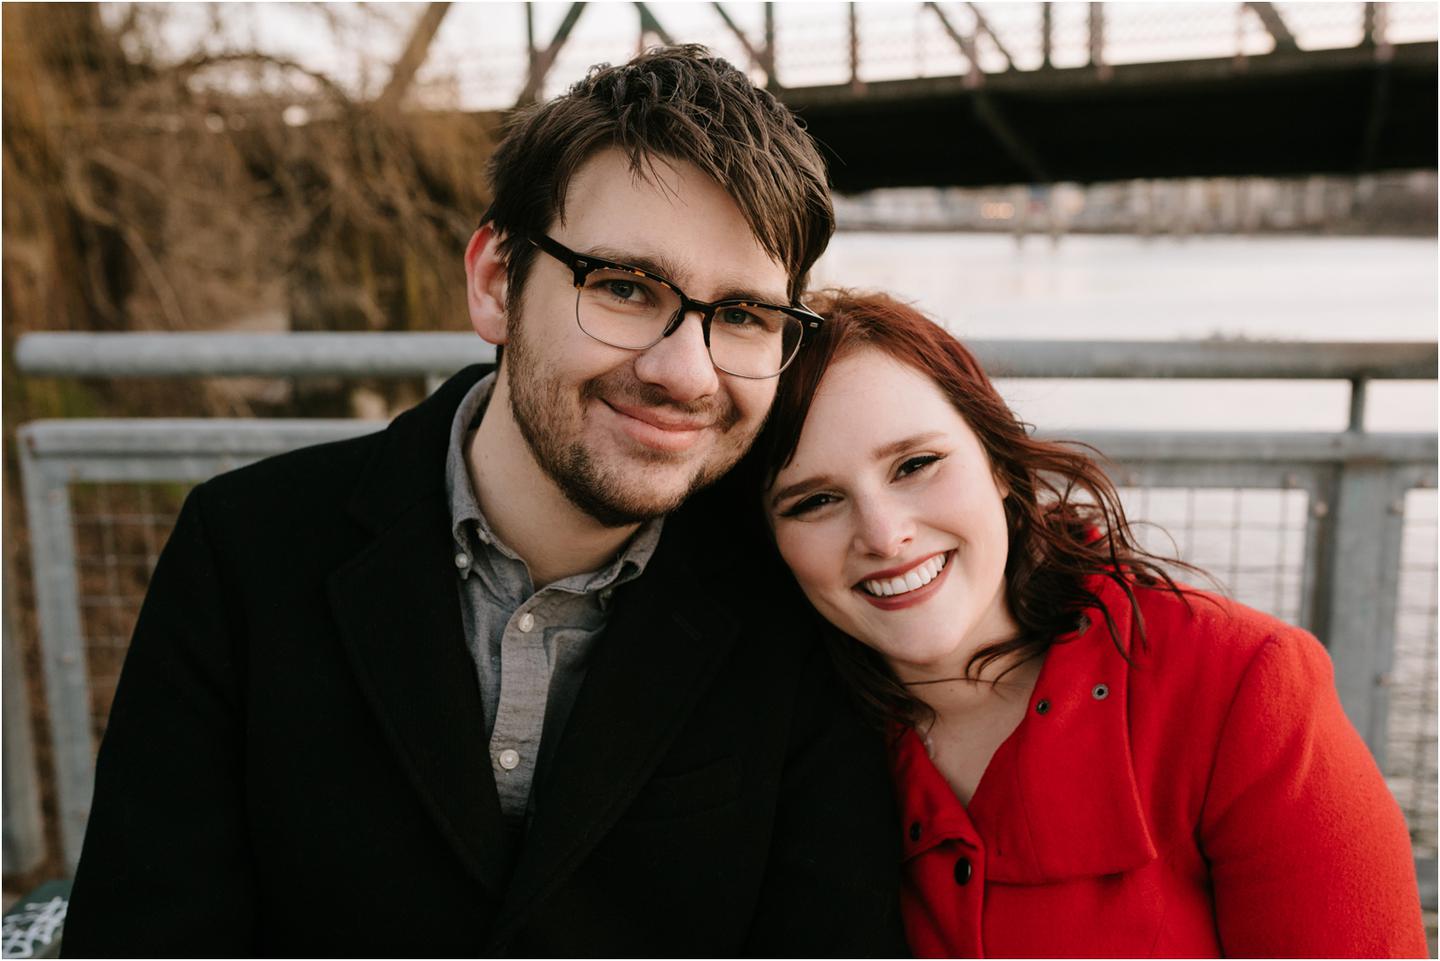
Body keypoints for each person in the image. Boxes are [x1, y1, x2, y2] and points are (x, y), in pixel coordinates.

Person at [62, 48, 906, 956]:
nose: (683, 372)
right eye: (625, 287)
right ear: (497, 282)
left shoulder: (792, 601)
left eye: (742, 314)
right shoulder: (244, 552)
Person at [756, 289, 1428, 958]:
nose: (884, 534)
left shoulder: (1239, 686)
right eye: (814, 500)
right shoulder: (774, 735)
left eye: (915, 464)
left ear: (996, 460)